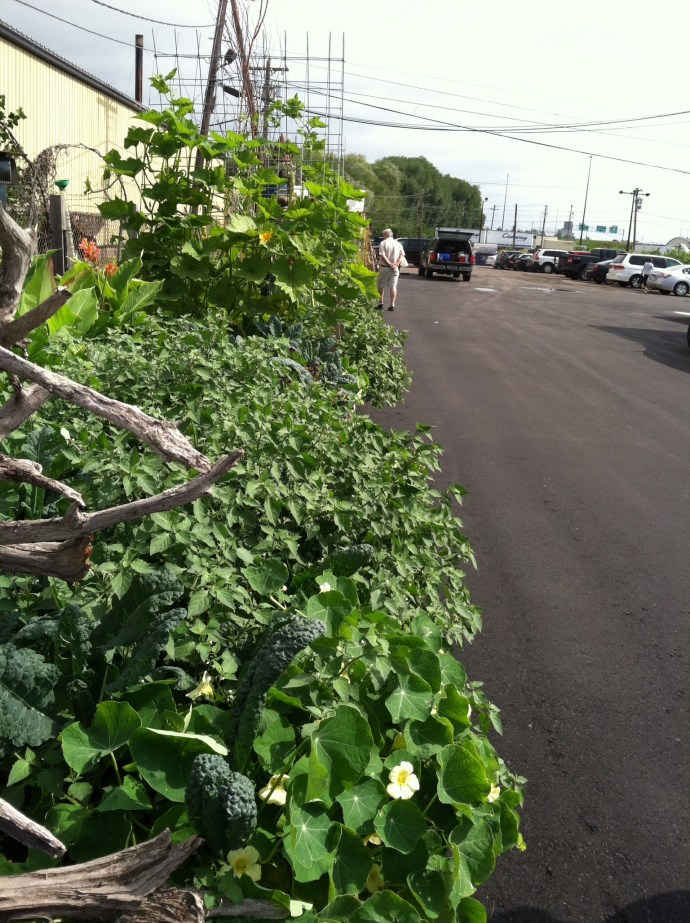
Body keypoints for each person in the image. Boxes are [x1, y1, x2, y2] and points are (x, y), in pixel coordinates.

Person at [376, 229, 405, 311]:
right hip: (395, 268)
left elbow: (382, 255)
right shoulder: (398, 244)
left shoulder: (383, 243)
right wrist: (396, 264)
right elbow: (402, 256)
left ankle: (380, 303)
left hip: (384, 267)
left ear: (385, 235)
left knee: (380, 286)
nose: (383, 237)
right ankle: (392, 304)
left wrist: (390, 264)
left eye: (383, 235)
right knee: (393, 286)